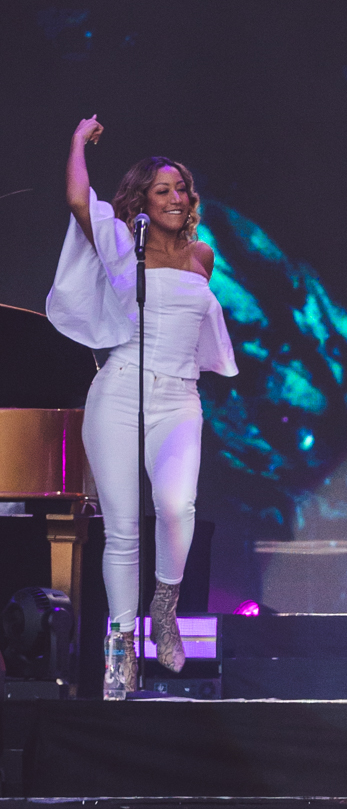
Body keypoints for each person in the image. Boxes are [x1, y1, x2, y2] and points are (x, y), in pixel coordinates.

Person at [46, 115, 238, 686]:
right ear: (142, 201)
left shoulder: (201, 256)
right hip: (119, 388)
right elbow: (80, 199)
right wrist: (78, 142)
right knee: (123, 527)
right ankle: (122, 643)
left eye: (181, 188)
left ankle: (166, 606)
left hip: (179, 397)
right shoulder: (119, 242)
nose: (176, 197)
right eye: (163, 190)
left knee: (178, 509)